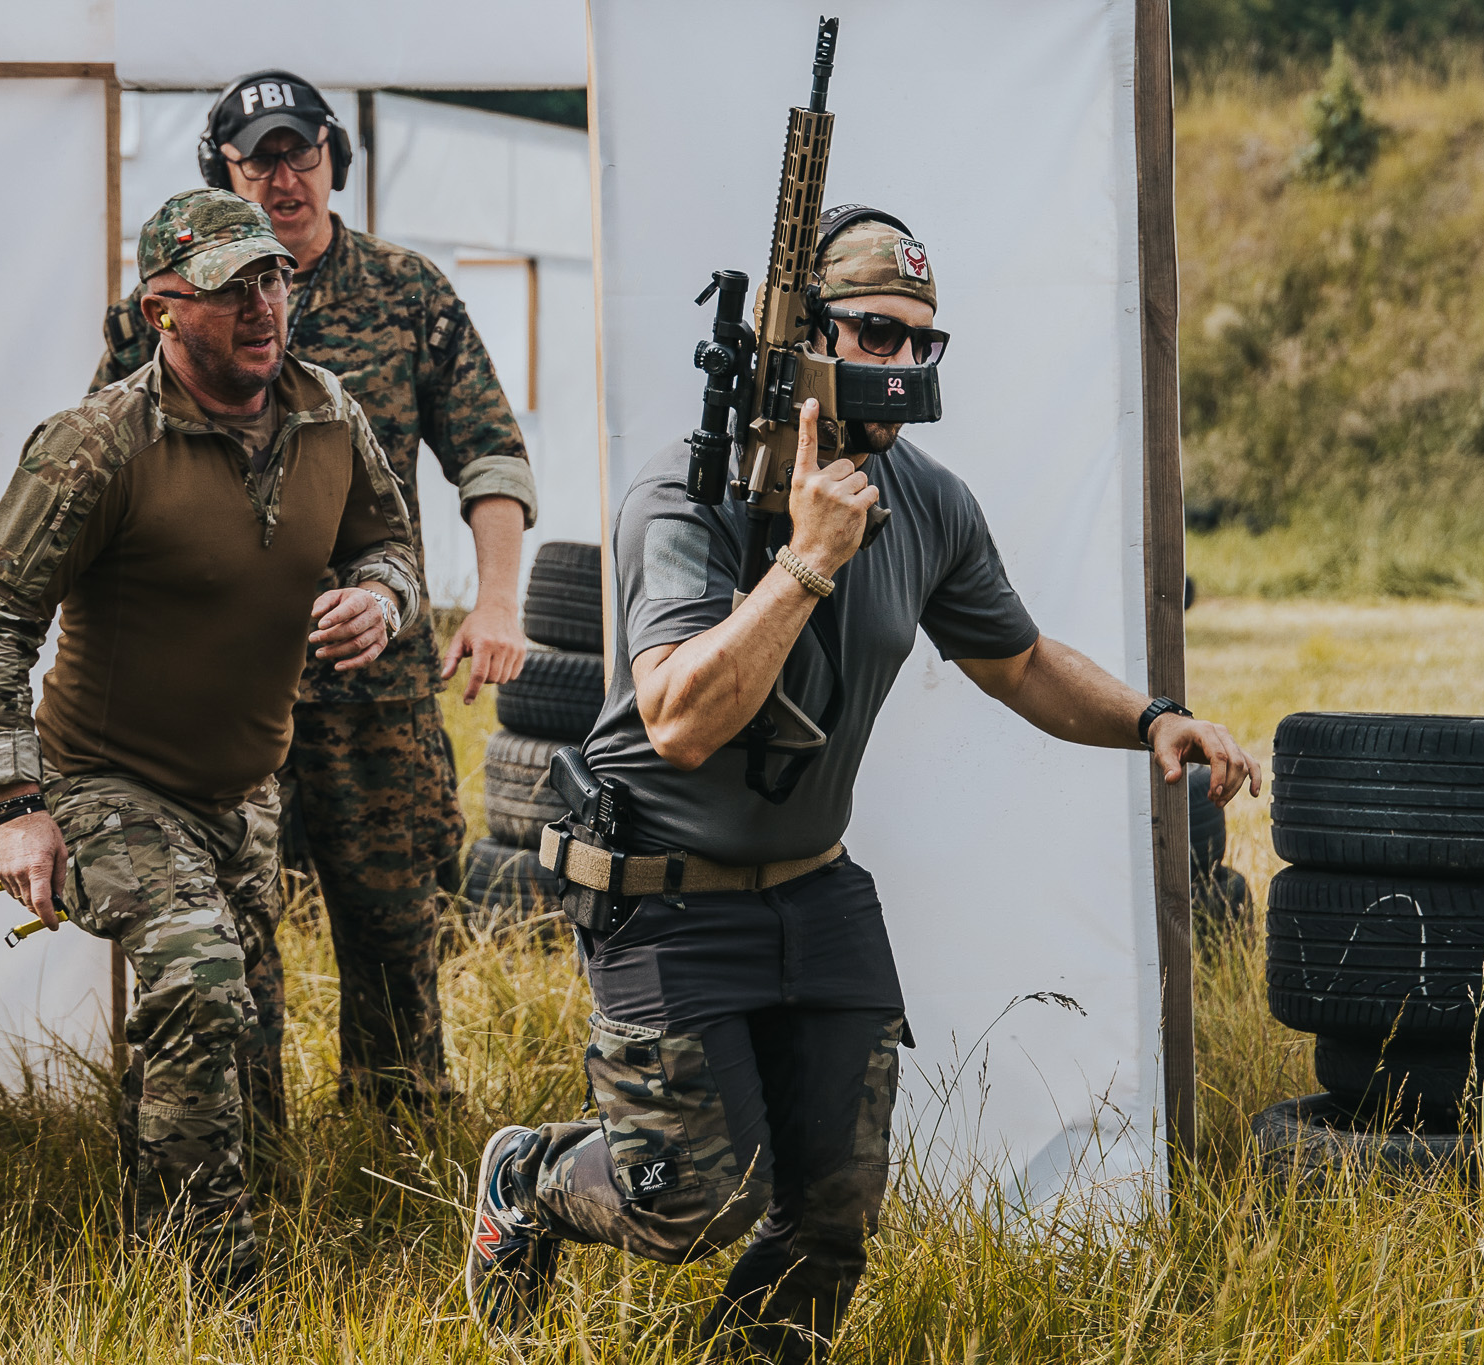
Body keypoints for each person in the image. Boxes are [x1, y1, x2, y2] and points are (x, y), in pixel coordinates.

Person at [461, 209, 1261, 1358]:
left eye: (921, 346)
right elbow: (679, 723)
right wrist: (805, 559)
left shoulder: (925, 499)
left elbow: (1019, 662)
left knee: (832, 1215)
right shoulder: (685, 498)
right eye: (875, 337)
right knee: (693, 1199)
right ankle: (530, 1179)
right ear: (805, 343)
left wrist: (1152, 720)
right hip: (663, 891)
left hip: (816, 891)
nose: (901, 368)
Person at [0, 190, 421, 1289]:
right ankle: (204, 1287)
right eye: (230, 288)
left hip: (244, 787)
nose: (264, 305)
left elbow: (392, 542)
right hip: (105, 782)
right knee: (197, 977)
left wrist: (384, 598)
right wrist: (19, 807)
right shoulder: (96, 445)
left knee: (243, 1036)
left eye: (272, 279)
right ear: (163, 310)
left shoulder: (327, 412)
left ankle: (229, 1210)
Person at [93, 70, 538, 1115]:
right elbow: (102, 470)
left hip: (376, 700)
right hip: (219, 702)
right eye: (258, 161)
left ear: (336, 158)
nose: (283, 178)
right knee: (229, 953)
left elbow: (491, 456)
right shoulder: (158, 307)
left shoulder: (404, 290)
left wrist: (499, 601)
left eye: (301, 155)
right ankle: (246, 1167)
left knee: (395, 938)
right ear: (225, 174)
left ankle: (393, 1170)